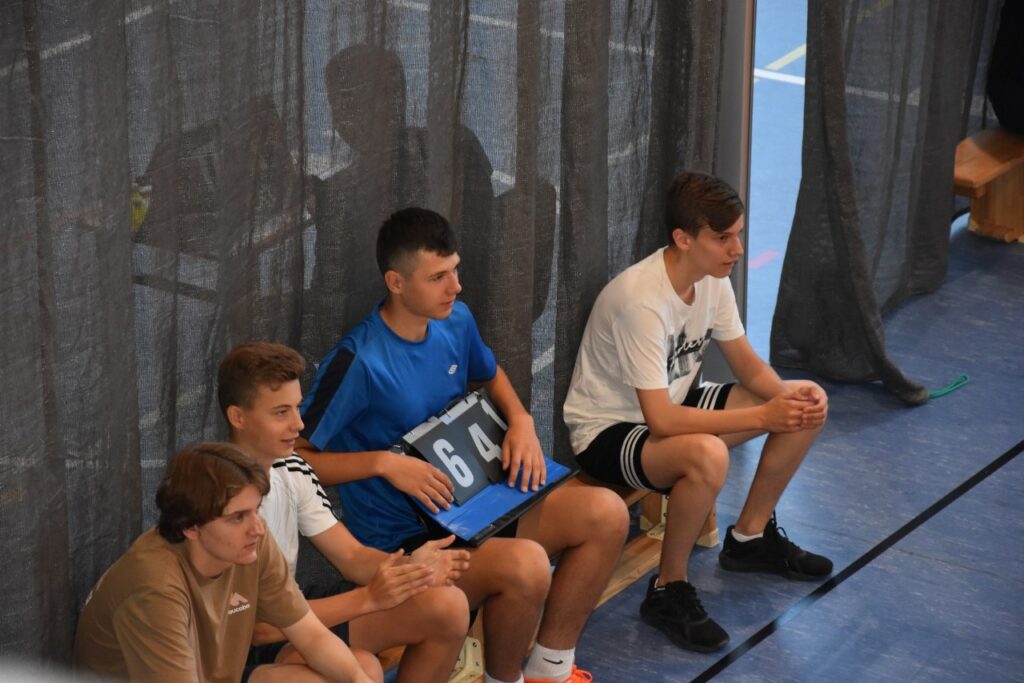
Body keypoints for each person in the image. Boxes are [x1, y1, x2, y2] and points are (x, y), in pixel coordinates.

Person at [296, 207, 630, 683]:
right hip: (408, 540)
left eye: (455, 270)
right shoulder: (359, 361)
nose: (455, 286)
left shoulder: (456, 319)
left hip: (478, 504)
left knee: (607, 513)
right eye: (438, 277)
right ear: (395, 282)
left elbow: (488, 373)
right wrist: (384, 465)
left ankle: (551, 668)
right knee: (527, 566)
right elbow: (296, 458)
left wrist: (520, 419)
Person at [563, 171, 833, 653]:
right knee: (708, 455)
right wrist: (764, 418)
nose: (737, 250)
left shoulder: (710, 279)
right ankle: (668, 588)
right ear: (683, 239)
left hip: (671, 405)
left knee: (805, 399)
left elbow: (747, 365)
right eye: (723, 238)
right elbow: (662, 421)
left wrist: (784, 402)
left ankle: (749, 539)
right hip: (610, 431)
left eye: (739, 235)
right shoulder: (641, 301)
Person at [218, 341, 471, 683]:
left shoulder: (293, 468)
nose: (299, 424)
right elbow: (257, 628)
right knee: (361, 670)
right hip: (235, 649)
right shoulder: (216, 500)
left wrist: (411, 569)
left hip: (289, 618)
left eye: (297, 408)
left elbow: (352, 556)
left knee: (447, 606)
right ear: (238, 417)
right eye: (281, 413)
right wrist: (369, 598)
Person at [74, 442, 375, 683]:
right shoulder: (154, 587)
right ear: (191, 527)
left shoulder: (251, 543)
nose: (257, 528)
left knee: (362, 669)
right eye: (237, 517)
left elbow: (311, 636)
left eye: (256, 509)